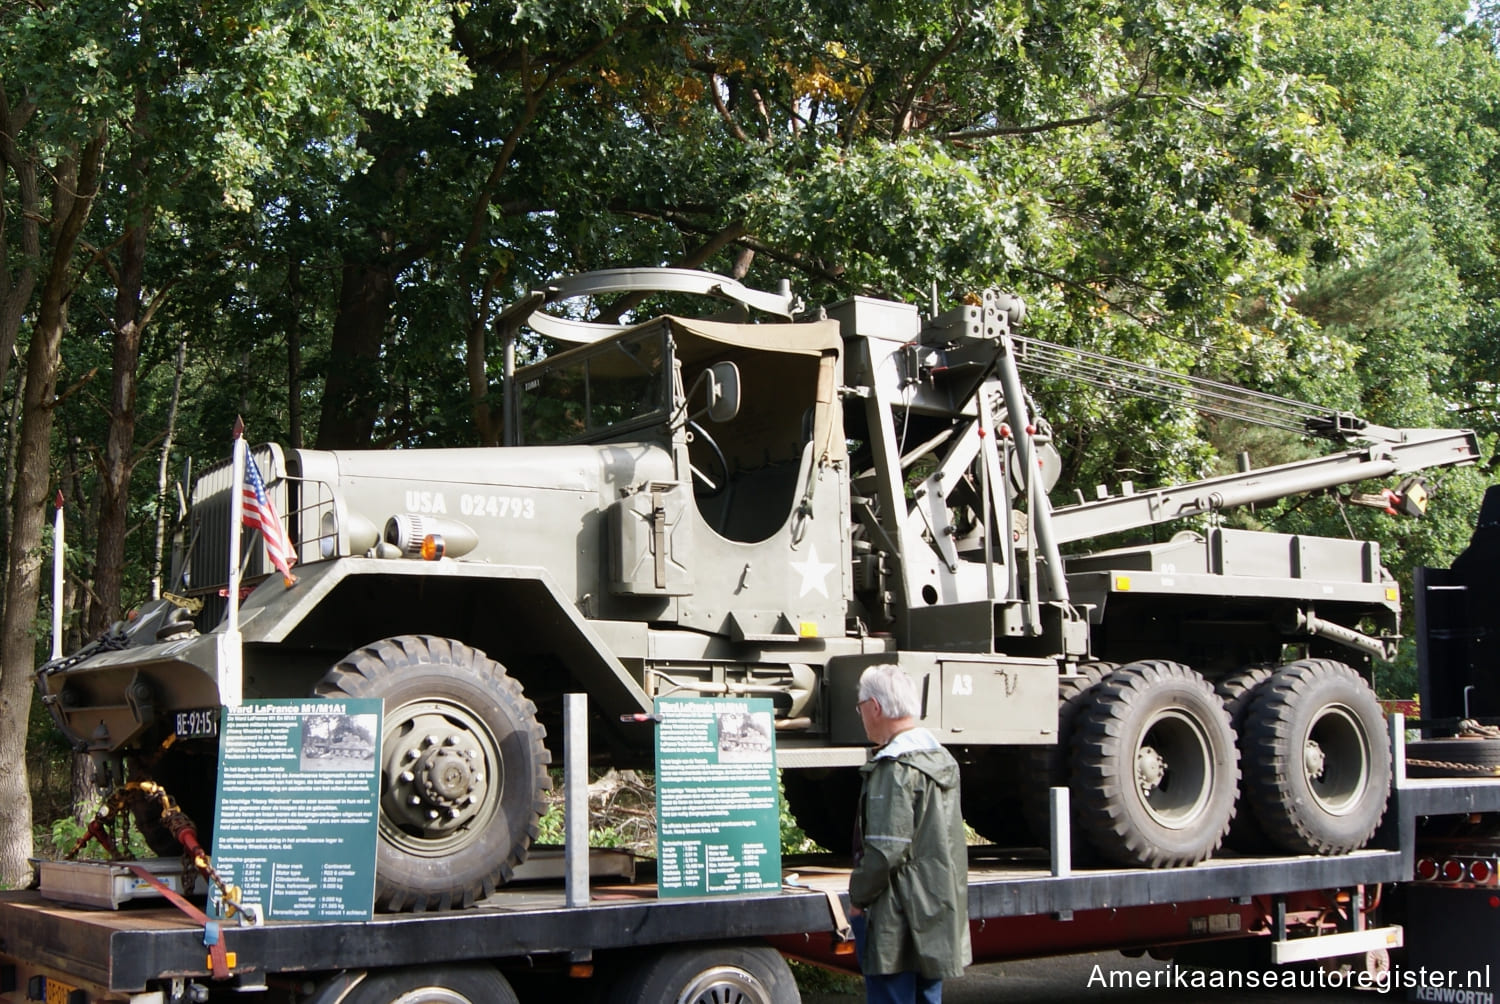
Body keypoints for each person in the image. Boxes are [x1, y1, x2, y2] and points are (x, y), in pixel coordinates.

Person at [849, 663, 971, 1004]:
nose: (861, 715)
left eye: (860, 707)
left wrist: (858, 898)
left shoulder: (896, 768)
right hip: (935, 911)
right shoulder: (941, 760)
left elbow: (887, 849)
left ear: (875, 707)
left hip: (895, 918)